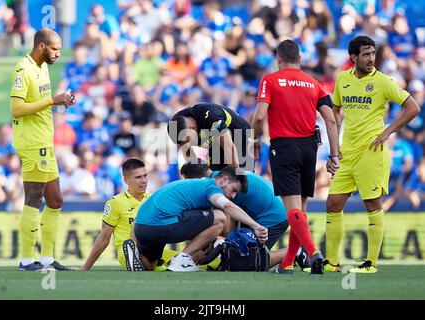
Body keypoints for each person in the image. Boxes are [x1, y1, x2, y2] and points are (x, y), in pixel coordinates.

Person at [325, 36, 420, 273]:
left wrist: (388, 132)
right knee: (333, 203)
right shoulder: (342, 80)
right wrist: (333, 151)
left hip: (372, 152)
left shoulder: (384, 82)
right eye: (366, 54)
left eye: (373, 53)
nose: (371, 59)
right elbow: (336, 113)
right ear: (353, 57)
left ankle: (371, 263)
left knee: (372, 204)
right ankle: (332, 263)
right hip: (347, 153)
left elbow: (413, 107)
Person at [250, 39, 340, 274]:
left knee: (292, 209)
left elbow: (259, 117)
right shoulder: (314, 83)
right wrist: (335, 153)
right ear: (299, 59)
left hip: (284, 147)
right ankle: (288, 262)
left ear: (278, 59)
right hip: (310, 148)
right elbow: (331, 119)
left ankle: (314, 254)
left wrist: (253, 140)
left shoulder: (269, 80)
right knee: (300, 209)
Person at [10, 29, 75, 271]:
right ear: (41, 47)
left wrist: (61, 101)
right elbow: (16, 109)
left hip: (45, 143)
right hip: (32, 143)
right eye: (54, 48)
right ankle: (27, 259)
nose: (58, 53)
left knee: (55, 200)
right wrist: (51, 101)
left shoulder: (43, 67)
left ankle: (47, 258)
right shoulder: (23, 69)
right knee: (34, 198)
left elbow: (41, 105)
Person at [131, 166, 268, 272]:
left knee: (150, 266)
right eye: (233, 189)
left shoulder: (195, 186)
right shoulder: (211, 186)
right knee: (220, 217)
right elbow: (227, 206)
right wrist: (255, 225)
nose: (233, 195)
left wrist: (202, 250)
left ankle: (134, 253)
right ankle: (182, 259)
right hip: (162, 224)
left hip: (142, 228)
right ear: (224, 180)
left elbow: (196, 226)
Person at [180, 162, 311, 269]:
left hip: (274, 215)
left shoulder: (222, 188)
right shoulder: (224, 179)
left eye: (187, 182)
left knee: (248, 262)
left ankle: (296, 252)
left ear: (195, 180)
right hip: (266, 209)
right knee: (233, 253)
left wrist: (206, 251)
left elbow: (228, 228)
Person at [82, 158, 174, 271]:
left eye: (145, 176)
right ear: (126, 180)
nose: (144, 181)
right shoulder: (116, 202)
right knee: (135, 250)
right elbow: (104, 238)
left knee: (190, 260)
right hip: (126, 252)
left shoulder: (153, 200)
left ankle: (151, 264)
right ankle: (137, 258)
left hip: (152, 249)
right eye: (138, 177)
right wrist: (85, 268)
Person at [167, 102, 251, 171]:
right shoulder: (177, 124)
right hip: (214, 141)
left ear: (192, 128)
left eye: (188, 140)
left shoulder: (210, 116)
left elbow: (228, 146)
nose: (188, 144)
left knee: (240, 173)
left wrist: (235, 174)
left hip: (239, 135)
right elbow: (190, 157)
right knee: (215, 176)